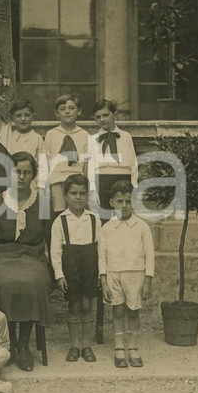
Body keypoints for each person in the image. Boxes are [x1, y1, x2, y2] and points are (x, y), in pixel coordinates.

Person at [0, 151, 52, 372]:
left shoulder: (43, 203)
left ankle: (24, 344)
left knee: (34, 283)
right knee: (3, 284)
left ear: (34, 176)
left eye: (27, 172)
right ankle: (8, 341)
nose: (21, 176)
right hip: (2, 257)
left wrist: (56, 270)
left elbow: (52, 240)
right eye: (17, 171)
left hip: (33, 258)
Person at [99, 180, 155, 368]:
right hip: (114, 273)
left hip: (135, 274)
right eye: (120, 201)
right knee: (117, 310)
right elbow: (102, 257)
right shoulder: (106, 228)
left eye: (128, 201)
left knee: (133, 311)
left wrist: (148, 280)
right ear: (112, 202)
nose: (124, 206)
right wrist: (104, 281)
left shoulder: (142, 227)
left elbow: (150, 255)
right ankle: (119, 348)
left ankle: (133, 347)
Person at [50, 174, 102, 363]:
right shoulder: (60, 221)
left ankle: (86, 346)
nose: (78, 197)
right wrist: (59, 275)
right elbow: (55, 252)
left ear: (87, 195)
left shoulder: (94, 220)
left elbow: (100, 249)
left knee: (87, 305)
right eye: (73, 193)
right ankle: (74, 346)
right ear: (65, 195)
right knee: (73, 306)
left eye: (82, 193)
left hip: (90, 268)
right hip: (70, 268)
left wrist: (100, 274)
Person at [87, 99, 138, 220]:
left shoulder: (126, 137)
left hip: (123, 178)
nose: (102, 119)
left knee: (122, 215)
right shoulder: (93, 139)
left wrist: (134, 185)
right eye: (98, 117)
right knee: (103, 217)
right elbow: (90, 165)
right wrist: (93, 189)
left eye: (106, 115)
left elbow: (133, 163)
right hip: (102, 180)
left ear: (114, 115)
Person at [43, 94, 89, 223]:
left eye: (71, 108)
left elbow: (86, 163)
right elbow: (46, 161)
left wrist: (86, 183)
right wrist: (46, 186)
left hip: (77, 181)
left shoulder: (84, 135)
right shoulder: (51, 134)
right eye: (62, 109)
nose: (67, 111)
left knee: (77, 212)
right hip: (56, 181)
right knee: (59, 214)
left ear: (79, 111)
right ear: (57, 113)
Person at [6, 98, 48, 191]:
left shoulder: (37, 139)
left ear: (33, 116)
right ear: (12, 117)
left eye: (27, 115)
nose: (23, 119)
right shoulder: (8, 138)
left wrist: (40, 186)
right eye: (18, 115)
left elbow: (43, 165)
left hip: (31, 184)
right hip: (11, 184)